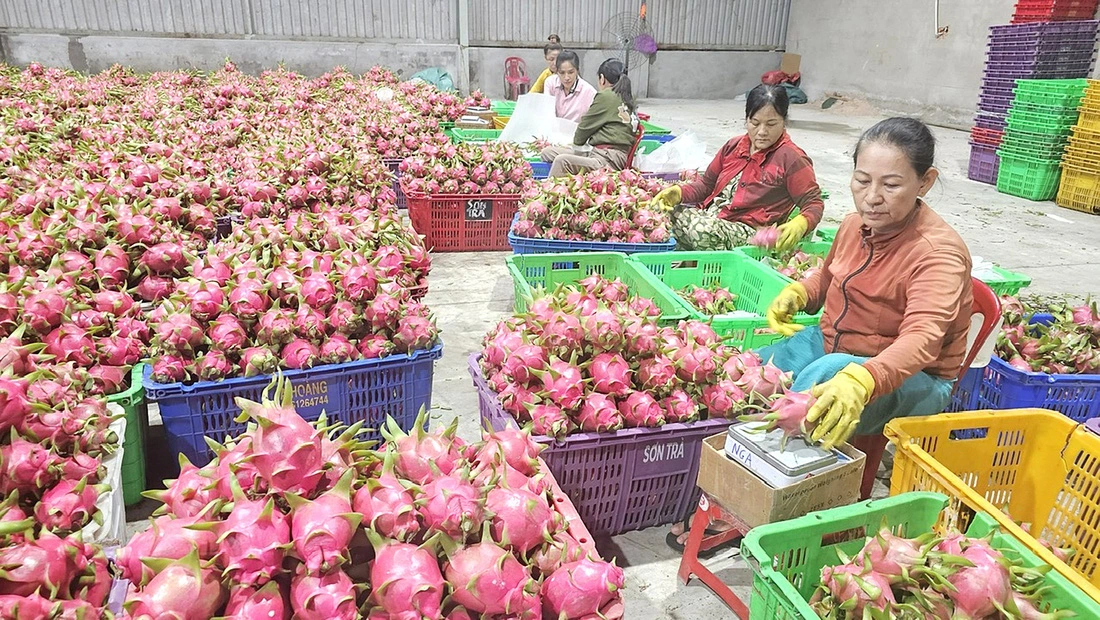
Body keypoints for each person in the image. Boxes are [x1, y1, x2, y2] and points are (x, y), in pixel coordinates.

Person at [667, 117, 973, 551]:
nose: (872, 198)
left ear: (925, 182)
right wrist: (800, 293)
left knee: (822, 381)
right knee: (749, 371)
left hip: (910, 378)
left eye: (891, 185)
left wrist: (863, 377)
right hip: (838, 343)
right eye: (862, 180)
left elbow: (922, 340)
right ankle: (729, 476)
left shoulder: (937, 253)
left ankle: (756, 506)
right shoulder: (853, 226)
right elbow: (827, 280)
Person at [650, 84, 824, 252]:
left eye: (771, 124)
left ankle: (717, 268)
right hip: (713, 219)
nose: (762, 131)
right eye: (755, 123)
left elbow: (814, 203)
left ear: (784, 122)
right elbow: (706, 185)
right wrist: (678, 193)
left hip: (750, 233)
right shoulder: (734, 146)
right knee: (658, 210)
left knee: (701, 229)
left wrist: (801, 223)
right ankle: (693, 258)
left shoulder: (792, 157)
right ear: (746, 119)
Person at [540, 58, 636, 177]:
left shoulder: (606, 95)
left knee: (562, 161)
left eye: (570, 72)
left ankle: (551, 193)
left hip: (608, 158)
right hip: (598, 152)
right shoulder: (625, 95)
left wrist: (576, 145)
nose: (566, 77)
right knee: (547, 152)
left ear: (602, 78)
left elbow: (585, 127)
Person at [542, 50, 597, 123]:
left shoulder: (589, 92)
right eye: (562, 73)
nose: (566, 77)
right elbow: (546, 111)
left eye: (571, 72)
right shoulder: (550, 83)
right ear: (557, 72)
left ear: (577, 70)